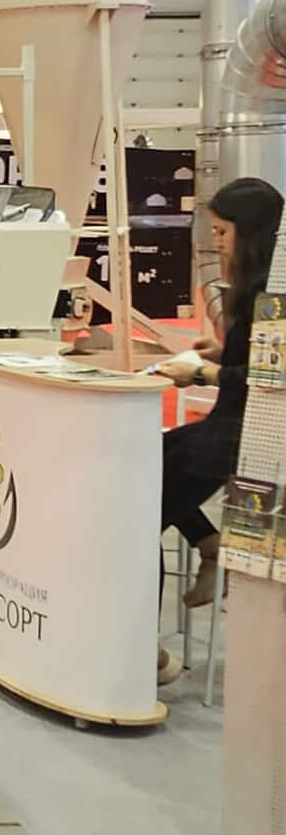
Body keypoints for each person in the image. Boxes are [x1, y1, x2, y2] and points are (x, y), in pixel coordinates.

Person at [152, 176, 282, 676]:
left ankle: (142, 652)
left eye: (224, 233)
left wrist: (203, 373)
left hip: (246, 436)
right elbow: (256, 360)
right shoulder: (253, 290)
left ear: (251, 234)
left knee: (138, 508)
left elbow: (271, 380)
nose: (218, 244)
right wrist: (221, 352)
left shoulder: (274, 294)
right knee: (147, 464)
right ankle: (210, 546)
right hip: (227, 424)